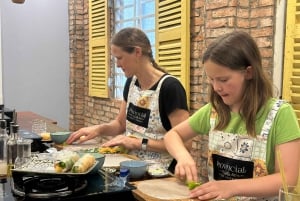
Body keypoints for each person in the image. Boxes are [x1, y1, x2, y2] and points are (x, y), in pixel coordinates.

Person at [164, 31, 300, 200]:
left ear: (249, 73)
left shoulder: (280, 114)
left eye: (223, 79)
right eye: (211, 80)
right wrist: (183, 156)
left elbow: (288, 179)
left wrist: (232, 187)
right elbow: (172, 135)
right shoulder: (214, 111)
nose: (216, 87)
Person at [67, 27, 190, 168]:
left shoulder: (170, 87)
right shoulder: (131, 82)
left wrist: (137, 143)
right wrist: (98, 130)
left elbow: (185, 145)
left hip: (160, 171)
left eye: (120, 58)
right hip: (129, 162)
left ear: (137, 52)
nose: (118, 65)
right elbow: (120, 124)